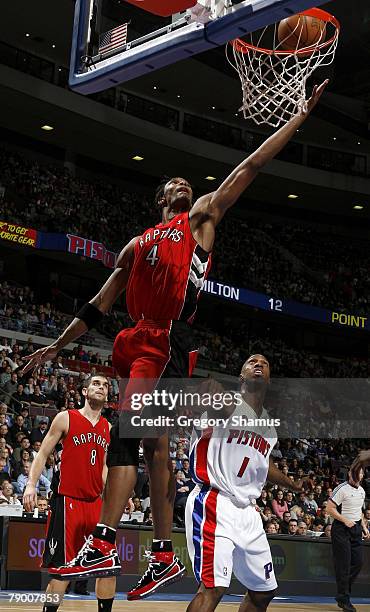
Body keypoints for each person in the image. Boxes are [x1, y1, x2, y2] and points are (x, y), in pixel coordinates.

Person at [20, 80, 327, 599]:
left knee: (130, 434)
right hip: (135, 338)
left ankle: (105, 538)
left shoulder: (202, 217)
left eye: (189, 183)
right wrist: (56, 345)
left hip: (172, 335)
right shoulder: (137, 245)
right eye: (175, 184)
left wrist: (296, 119)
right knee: (153, 444)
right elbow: (97, 306)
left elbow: (249, 167)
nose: (185, 184)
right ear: (160, 200)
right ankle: (162, 553)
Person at [185, 354, 308, 612]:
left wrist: (291, 484)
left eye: (264, 363)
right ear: (241, 376)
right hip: (215, 502)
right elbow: (207, 404)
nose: (259, 365)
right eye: (252, 362)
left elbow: (263, 463)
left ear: (270, 379)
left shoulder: (268, 428)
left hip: (248, 511)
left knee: (264, 591)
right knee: (213, 588)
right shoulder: (228, 401)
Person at [22, 374, 116, 612]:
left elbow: (105, 467)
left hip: (96, 504)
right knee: (63, 571)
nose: (101, 387)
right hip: (68, 501)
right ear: (84, 392)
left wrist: (113, 497)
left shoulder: (108, 428)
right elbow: (42, 453)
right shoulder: (66, 418)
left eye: (105, 385)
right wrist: (31, 484)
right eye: (96, 383)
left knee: (107, 567)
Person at [327, 469, 369, 612]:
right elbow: (329, 508)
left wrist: (364, 527)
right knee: (343, 565)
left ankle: (342, 593)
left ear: (362, 476)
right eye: (355, 473)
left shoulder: (362, 491)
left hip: (356, 528)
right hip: (341, 529)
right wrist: (345, 521)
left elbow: (359, 511)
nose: (357, 475)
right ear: (350, 475)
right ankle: (344, 599)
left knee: (358, 562)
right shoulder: (342, 489)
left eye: (360, 473)